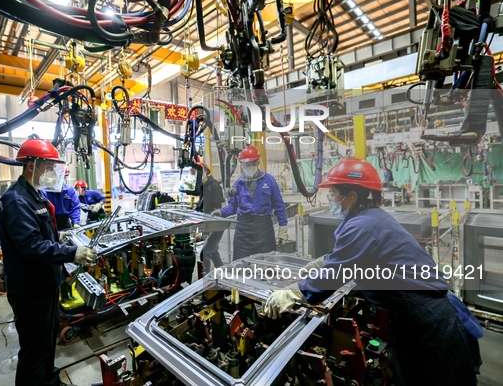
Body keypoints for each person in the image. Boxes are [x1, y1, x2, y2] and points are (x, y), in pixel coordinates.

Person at [263, 158, 482, 386]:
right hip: (415, 314)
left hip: (424, 323)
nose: (331, 199)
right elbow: (346, 257)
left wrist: (293, 293)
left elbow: (335, 275)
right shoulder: (368, 218)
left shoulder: (362, 226)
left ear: (352, 196)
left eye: (334, 193)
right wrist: (319, 263)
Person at [0, 138, 96, 386]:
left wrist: (58, 236)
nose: (53, 172)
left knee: (47, 339)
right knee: (34, 349)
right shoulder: (17, 200)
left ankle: (50, 382)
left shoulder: (34, 195)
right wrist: (71, 253)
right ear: (32, 165)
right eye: (50, 166)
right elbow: (30, 245)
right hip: (30, 289)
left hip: (44, 284)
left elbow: (40, 234)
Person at [211, 145, 288, 260]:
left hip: (263, 229)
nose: (250, 166)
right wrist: (220, 212)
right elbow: (232, 206)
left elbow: (279, 206)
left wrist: (283, 228)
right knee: (242, 264)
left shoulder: (269, 180)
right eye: (247, 164)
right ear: (241, 164)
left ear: (258, 162)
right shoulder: (238, 184)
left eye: (252, 163)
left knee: (265, 264)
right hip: (243, 229)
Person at [196, 162, 225, 273]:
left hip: (216, 225)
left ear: (206, 171)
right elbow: (201, 206)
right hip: (208, 225)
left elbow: (216, 209)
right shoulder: (203, 188)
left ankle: (205, 280)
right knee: (213, 252)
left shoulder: (214, 187)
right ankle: (223, 273)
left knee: (206, 252)